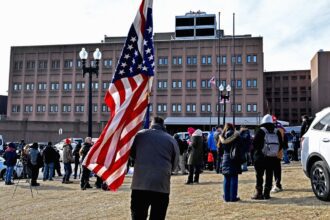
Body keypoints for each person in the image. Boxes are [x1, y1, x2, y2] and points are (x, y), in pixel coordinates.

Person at [130, 116, 179, 220]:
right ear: (163, 126)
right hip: (161, 184)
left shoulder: (139, 136)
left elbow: (132, 154)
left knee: (138, 216)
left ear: (151, 124)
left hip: (140, 183)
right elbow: (175, 164)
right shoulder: (170, 139)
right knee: (158, 216)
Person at [251, 114, 283, 200]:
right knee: (269, 175)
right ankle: (267, 194)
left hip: (260, 157)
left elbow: (254, 144)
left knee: (259, 175)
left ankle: (259, 193)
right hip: (272, 157)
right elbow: (280, 145)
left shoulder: (260, 130)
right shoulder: (277, 131)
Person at [218, 123, 242, 202]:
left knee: (226, 178)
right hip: (234, 158)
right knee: (234, 178)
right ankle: (233, 197)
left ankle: (226, 197)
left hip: (225, 157)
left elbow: (219, 150)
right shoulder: (236, 135)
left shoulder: (222, 136)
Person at [272, 120, 288, 193]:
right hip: (277, 152)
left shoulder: (278, 129)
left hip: (274, 152)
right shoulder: (281, 128)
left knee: (275, 169)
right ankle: (277, 184)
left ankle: (277, 185)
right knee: (276, 169)